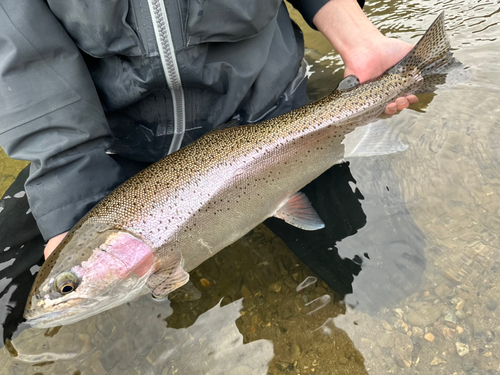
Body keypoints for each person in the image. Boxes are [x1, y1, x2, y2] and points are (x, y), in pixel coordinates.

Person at [0, 0, 417, 261]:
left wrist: (360, 40)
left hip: (268, 123)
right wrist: (69, 182)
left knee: (388, 277)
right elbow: (24, 49)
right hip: (113, 148)